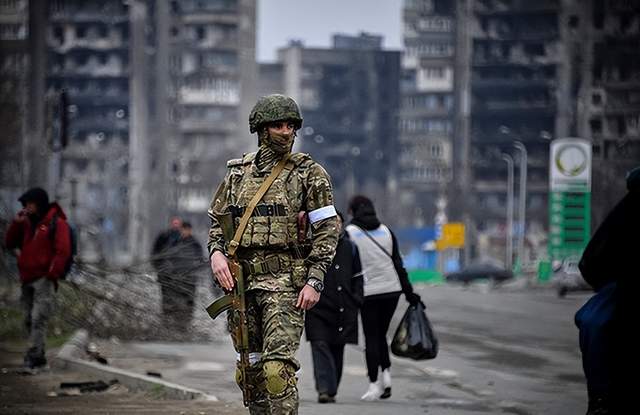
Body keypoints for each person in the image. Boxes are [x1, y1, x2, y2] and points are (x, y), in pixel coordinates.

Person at [208, 94, 339, 414]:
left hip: (285, 284)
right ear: (261, 129)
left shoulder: (308, 173)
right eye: (278, 125)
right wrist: (216, 254)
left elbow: (327, 230)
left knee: (276, 372)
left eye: (291, 126)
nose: (286, 132)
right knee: (249, 372)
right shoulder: (237, 174)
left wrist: (315, 279)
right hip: (242, 286)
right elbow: (218, 224)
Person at [345, 195, 421, 401]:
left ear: (353, 211)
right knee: (381, 335)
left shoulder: (350, 233)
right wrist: (409, 293)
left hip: (368, 292)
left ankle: (373, 384)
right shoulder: (387, 231)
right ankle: (386, 377)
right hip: (391, 290)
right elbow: (398, 264)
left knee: (371, 337)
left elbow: (348, 266)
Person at [577, 166, 640, 415]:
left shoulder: (627, 210)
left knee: (593, 321)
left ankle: (600, 399)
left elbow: (593, 262)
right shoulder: (627, 211)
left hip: (624, 295)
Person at [4, 187, 72, 371]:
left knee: (38, 318)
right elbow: (9, 242)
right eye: (25, 204)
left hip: (44, 279)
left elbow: (63, 250)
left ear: (39, 204)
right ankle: (35, 352)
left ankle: (36, 356)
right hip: (27, 278)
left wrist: (52, 273)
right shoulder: (26, 223)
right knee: (28, 318)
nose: (26, 207)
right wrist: (16, 223)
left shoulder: (56, 223)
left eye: (30, 203)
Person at [305, 211, 363, 403]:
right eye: (331, 222)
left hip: (342, 308)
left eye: (338, 222)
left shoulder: (350, 247)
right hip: (318, 307)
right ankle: (324, 388)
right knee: (320, 344)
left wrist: (357, 299)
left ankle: (332, 389)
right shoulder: (313, 246)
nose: (335, 226)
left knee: (337, 348)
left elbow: (358, 277)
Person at [170, 221, 204, 332]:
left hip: (190, 278)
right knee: (176, 300)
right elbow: (170, 257)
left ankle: (186, 323)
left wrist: (194, 270)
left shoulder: (195, 243)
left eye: (187, 230)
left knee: (189, 300)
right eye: (183, 230)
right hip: (177, 276)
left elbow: (200, 259)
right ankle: (176, 324)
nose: (185, 232)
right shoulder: (176, 242)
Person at [151, 217, 184, 333]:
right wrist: (159, 268)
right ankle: (167, 322)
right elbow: (155, 253)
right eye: (174, 223)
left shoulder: (183, 238)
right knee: (166, 299)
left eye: (177, 224)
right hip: (165, 274)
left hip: (180, 276)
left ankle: (178, 324)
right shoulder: (163, 237)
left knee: (179, 299)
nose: (175, 226)